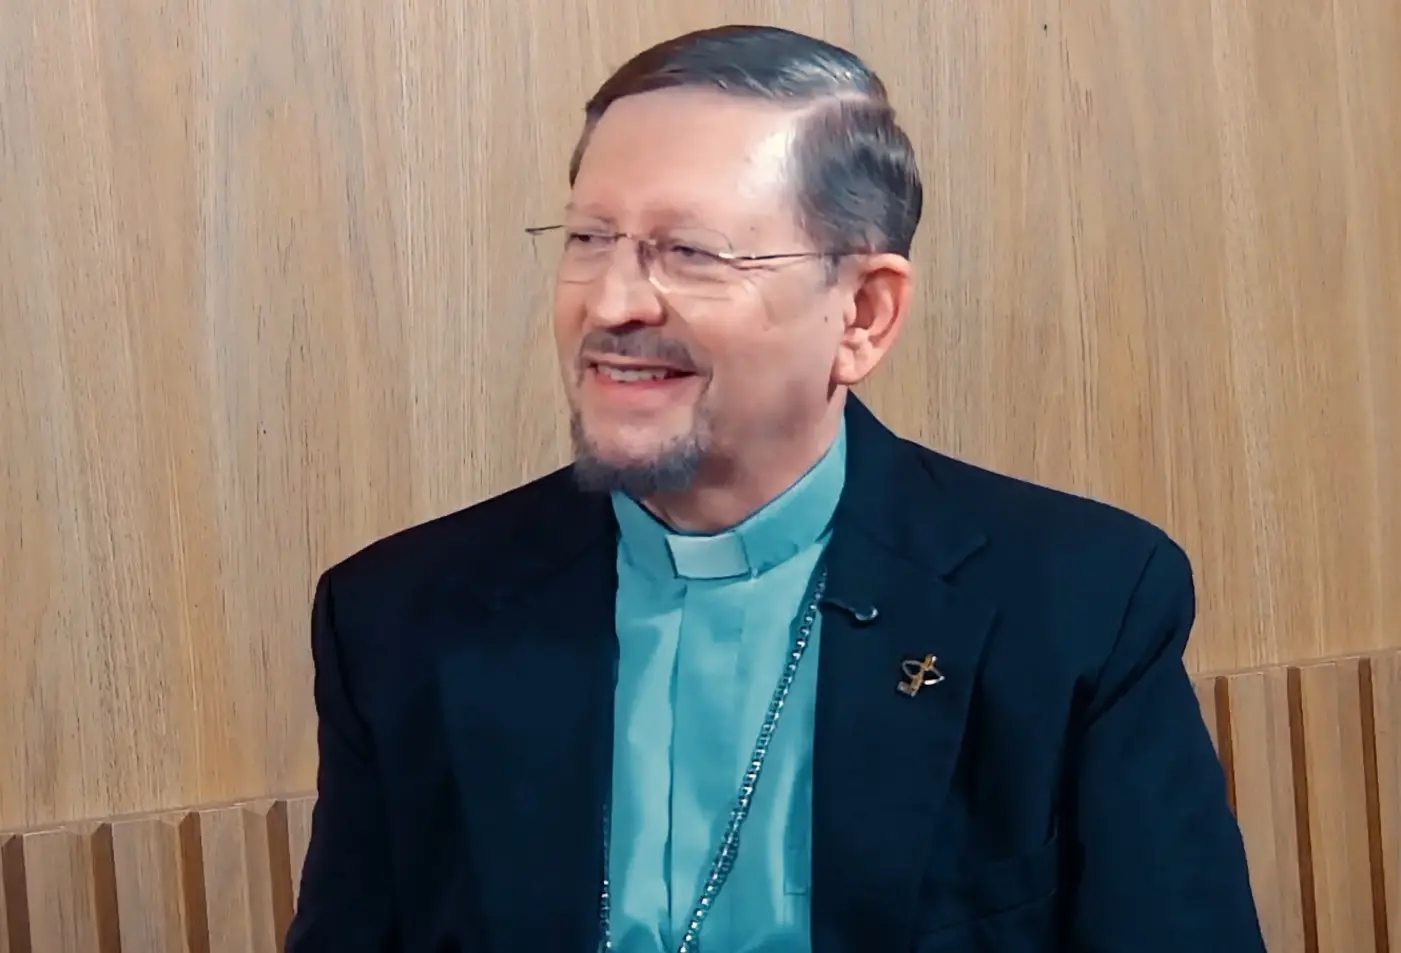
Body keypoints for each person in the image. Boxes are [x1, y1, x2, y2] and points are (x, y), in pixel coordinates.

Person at [285, 24, 1266, 953]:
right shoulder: (399, 615)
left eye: (691, 253)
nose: (615, 302)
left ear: (863, 315)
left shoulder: (1080, 602)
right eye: (590, 239)